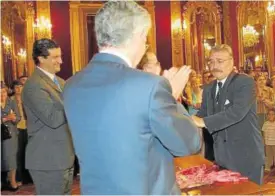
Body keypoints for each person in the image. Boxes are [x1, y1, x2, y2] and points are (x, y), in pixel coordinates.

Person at [63, 2, 201, 195]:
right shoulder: (150, 86)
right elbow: (188, 144)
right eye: (145, 37)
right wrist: (172, 96)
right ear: (136, 35)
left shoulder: (71, 85)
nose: (145, 46)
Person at [193, 44, 264, 185]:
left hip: (245, 156)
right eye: (211, 61)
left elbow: (236, 113)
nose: (214, 66)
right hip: (222, 158)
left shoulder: (245, 82)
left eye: (220, 61)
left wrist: (203, 122)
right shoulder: (209, 88)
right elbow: (201, 114)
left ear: (231, 62)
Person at [21, 38, 75, 195]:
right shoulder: (34, 85)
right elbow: (53, 118)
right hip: (47, 160)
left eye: (60, 56)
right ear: (41, 58)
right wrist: (77, 103)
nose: (61, 61)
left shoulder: (60, 81)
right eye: (55, 57)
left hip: (63, 157)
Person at [1, 84, 21, 191]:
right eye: (0, 93)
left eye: (3, 92)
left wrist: (13, 118)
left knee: (11, 158)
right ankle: (2, 182)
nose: (2, 95)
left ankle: (12, 181)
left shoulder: (12, 102)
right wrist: (5, 118)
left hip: (11, 135)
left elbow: (18, 117)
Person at [262, 108, 275, 174]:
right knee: (268, 155)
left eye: (272, 114)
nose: (271, 116)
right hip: (268, 143)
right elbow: (263, 133)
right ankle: (268, 166)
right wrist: (264, 142)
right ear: (267, 115)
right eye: (269, 114)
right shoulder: (265, 124)